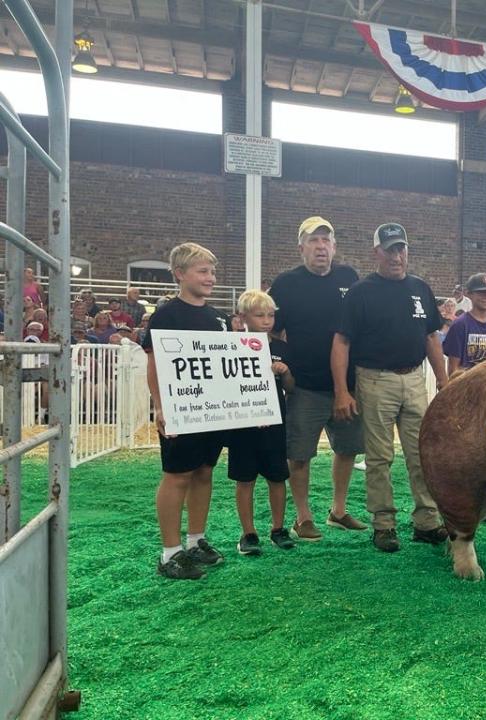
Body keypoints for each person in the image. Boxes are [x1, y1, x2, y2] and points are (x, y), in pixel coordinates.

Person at [331, 222, 449, 553]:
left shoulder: (420, 288)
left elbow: (431, 337)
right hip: (374, 379)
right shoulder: (360, 292)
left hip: (414, 378)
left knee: (421, 453)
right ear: (377, 253)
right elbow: (341, 342)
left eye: (402, 248)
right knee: (379, 456)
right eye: (390, 249)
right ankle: (383, 524)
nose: (397, 256)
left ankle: (427, 521)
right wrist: (342, 390)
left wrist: (442, 378)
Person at [269, 216, 367, 541]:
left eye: (326, 240)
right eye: (313, 241)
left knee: (348, 448)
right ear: (301, 248)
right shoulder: (285, 283)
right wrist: (280, 365)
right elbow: (271, 328)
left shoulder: (349, 277)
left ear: (335, 247)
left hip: (346, 387)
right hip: (304, 386)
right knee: (299, 453)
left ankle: (338, 511)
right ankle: (303, 517)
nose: (320, 247)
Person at [143, 242, 230, 580]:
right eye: (202, 271)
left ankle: (195, 540)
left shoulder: (220, 318)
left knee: (205, 470)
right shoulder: (166, 314)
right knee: (177, 475)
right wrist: (160, 405)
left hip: (213, 409)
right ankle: (170, 552)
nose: (210, 277)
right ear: (180, 274)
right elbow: (154, 364)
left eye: (211, 271)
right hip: (181, 407)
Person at [228, 290, 297, 556]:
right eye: (260, 315)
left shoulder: (281, 348)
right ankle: (248, 533)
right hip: (242, 425)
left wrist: (286, 371)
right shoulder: (229, 346)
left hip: (274, 423)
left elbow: (291, 388)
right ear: (243, 317)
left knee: (278, 476)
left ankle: (278, 529)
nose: (267, 320)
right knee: (244, 479)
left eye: (270, 315)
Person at [442, 273, 486, 374]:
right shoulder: (460, 325)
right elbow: (453, 368)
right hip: (467, 385)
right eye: (482, 292)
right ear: (469, 293)